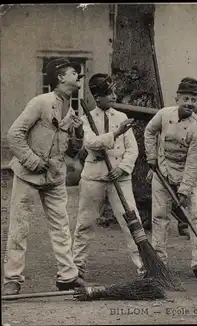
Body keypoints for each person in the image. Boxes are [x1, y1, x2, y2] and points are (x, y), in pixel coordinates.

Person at [3, 58, 86, 295]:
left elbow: (72, 151)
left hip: (55, 177)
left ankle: (67, 277)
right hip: (28, 175)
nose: (78, 77)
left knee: (61, 225)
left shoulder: (71, 109)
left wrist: (78, 133)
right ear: (60, 77)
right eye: (73, 73)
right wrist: (32, 161)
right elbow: (14, 134)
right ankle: (12, 279)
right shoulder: (40, 102)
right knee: (19, 226)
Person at [72, 73, 145, 279]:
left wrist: (122, 168)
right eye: (109, 93)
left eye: (113, 92)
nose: (113, 96)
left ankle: (144, 266)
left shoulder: (121, 118)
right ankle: (77, 268)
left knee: (132, 222)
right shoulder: (86, 120)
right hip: (93, 178)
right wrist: (115, 134)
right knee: (85, 223)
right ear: (97, 98)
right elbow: (91, 143)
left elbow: (133, 150)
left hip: (119, 179)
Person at [144, 77, 197, 278]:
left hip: (191, 177)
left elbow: (193, 163)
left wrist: (184, 190)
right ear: (177, 97)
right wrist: (151, 156)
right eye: (186, 98)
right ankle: (158, 262)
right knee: (160, 217)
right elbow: (149, 132)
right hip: (163, 172)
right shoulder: (164, 115)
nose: (189, 103)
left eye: (193, 99)